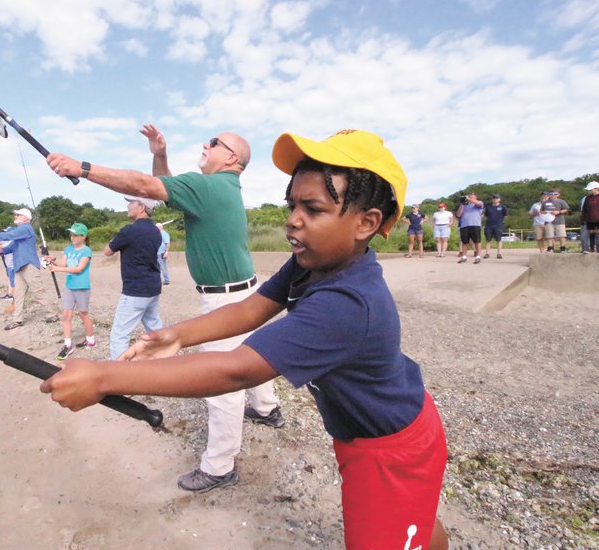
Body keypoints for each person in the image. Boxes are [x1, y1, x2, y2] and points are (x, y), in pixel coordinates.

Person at [41, 129, 449, 550]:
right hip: (374, 429)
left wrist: (104, 378)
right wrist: (177, 335)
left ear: (366, 223)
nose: (293, 219)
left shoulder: (348, 301)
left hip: (390, 449)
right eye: (292, 204)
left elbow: (237, 371)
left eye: (313, 208)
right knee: (412, 523)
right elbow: (253, 308)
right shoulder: (316, 262)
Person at [46, 124, 283, 494]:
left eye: (214, 143)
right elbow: (166, 190)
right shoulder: (218, 189)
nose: (205, 144)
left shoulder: (209, 186)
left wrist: (82, 168)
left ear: (231, 158)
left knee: (221, 385)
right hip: (244, 290)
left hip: (225, 298)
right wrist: (160, 154)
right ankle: (268, 410)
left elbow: (144, 187)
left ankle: (219, 466)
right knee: (254, 353)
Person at [104, 197, 164, 360]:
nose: (128, 206)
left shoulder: (129, 230)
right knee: (154, 328)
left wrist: (114, 240)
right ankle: (165, 360)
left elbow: (108, 251)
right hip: (153, 286)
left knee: (120, 334)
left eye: (131, 203)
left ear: (142, 207)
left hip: (135, 290)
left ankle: (118, 374)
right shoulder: (156, 231)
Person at [0, 208, 47, 330]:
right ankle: (17, 320)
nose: (15, 216)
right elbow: (11, 247)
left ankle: (52, 314)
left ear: (25, 218)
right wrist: (0, 250)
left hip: (28, 264)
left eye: (18, 214)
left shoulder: (25, 228)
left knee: (38, 291)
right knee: (18, 294)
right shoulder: (20, 232)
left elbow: (8, 235)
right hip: (19, 266)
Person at [47, 222, 96, 360]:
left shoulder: (86, 251)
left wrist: (57, 269)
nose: (72, 237)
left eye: (75, 234)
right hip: (69, 287)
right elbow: (64, 264)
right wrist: (53, 261)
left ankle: (91, 340)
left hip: (82, 287)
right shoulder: (68, 249)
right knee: (67, 315)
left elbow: (79, 269)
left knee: (83, 314)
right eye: (71, 234)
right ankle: (68, 345)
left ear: (83, 236)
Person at [455, 192, 484, 264]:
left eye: (472, 197)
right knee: (464, 242)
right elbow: (458, 215)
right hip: (464, 225)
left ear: (475, 197)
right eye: (469, 197)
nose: (470, 198)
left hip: (475, 224)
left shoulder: (478, 203)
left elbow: (479, 204)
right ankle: (464, 257)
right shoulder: (464, 205)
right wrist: (462, 204)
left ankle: (478, 256)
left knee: (477, 241)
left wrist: (469, 199)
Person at [483, 194, 508, 259]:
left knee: (498, 239)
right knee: (488, 240)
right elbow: (486, 216)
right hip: (489, 226)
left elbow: (505, 216)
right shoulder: (488, 207)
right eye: (494, 198)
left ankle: (499, 253)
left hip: (498, 226)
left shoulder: (503, 207)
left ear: (499, 199)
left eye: (497, 198)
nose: (495, 199)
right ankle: (487, 253)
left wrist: (501, 222)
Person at [581, 181, 599, 253]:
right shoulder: (588, 198)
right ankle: (591, 249)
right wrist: (583, 218)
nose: (589, 190)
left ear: (596, 188)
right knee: (591, 234)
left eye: (591, 189)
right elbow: (584, 209)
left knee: (598, 234)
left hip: (598, 219)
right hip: (590, 219)